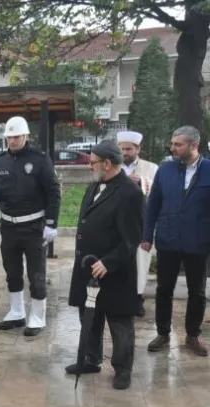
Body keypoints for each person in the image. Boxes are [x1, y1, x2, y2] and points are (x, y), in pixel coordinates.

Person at [65, 140, 142, 390]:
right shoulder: (94, 187)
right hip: (88, 269)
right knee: (90, 318)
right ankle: (91, 358)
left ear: (107, 164)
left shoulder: (130, 193)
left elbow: (132, 238)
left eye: (93, 162)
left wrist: (109, 261)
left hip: (114, 272)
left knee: (119, 322)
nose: (90, 167)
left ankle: (122, 369)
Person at [0, 116, 61, 337]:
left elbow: (53, 192)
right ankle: (16, 312)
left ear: (26, 136)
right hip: (9, 225)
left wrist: (51, 223)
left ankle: (37, 317)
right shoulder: (0, 161)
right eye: (9, 137)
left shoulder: (39, 159)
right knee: (12, 272)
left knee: (36, 274)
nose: (12, 141)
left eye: (16, 137)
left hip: (34, 226)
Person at [143, 125, 210, 357]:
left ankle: (193, 334)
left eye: (177, 144)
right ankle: (162, 332)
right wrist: (146, 236)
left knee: (198, 292)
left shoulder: (209, 170)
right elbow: (152, 206)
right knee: (164, 289)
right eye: (172, 143)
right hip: (168, 240)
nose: (172, 148)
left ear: (193, 145)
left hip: (198, 242)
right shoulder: (165, 170)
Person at [117, 131, 159, 317]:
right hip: (116, 223)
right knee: (118, 260)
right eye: (122, 149)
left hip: (142, 222)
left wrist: (142, 181)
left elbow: (158, 192)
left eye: (128, 149)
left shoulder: (151, 168)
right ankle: (118, 299)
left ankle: (137, 301)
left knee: (140, 263)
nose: (124, 153)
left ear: (138, 149)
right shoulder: (113, 165)